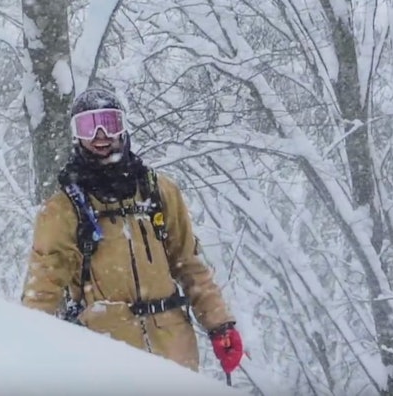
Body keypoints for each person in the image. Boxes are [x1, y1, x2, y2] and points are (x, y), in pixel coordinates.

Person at [20, 86, 245, 377]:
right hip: (106, 357)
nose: (101, 135)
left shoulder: (159, 192)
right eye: (89, 126)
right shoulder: (62, 209)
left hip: (174, 353)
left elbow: (189, 264)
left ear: (123, 128)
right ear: (76, 135)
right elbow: (44, 285)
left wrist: (220, 324)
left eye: (109, 122)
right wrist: (28, 350)